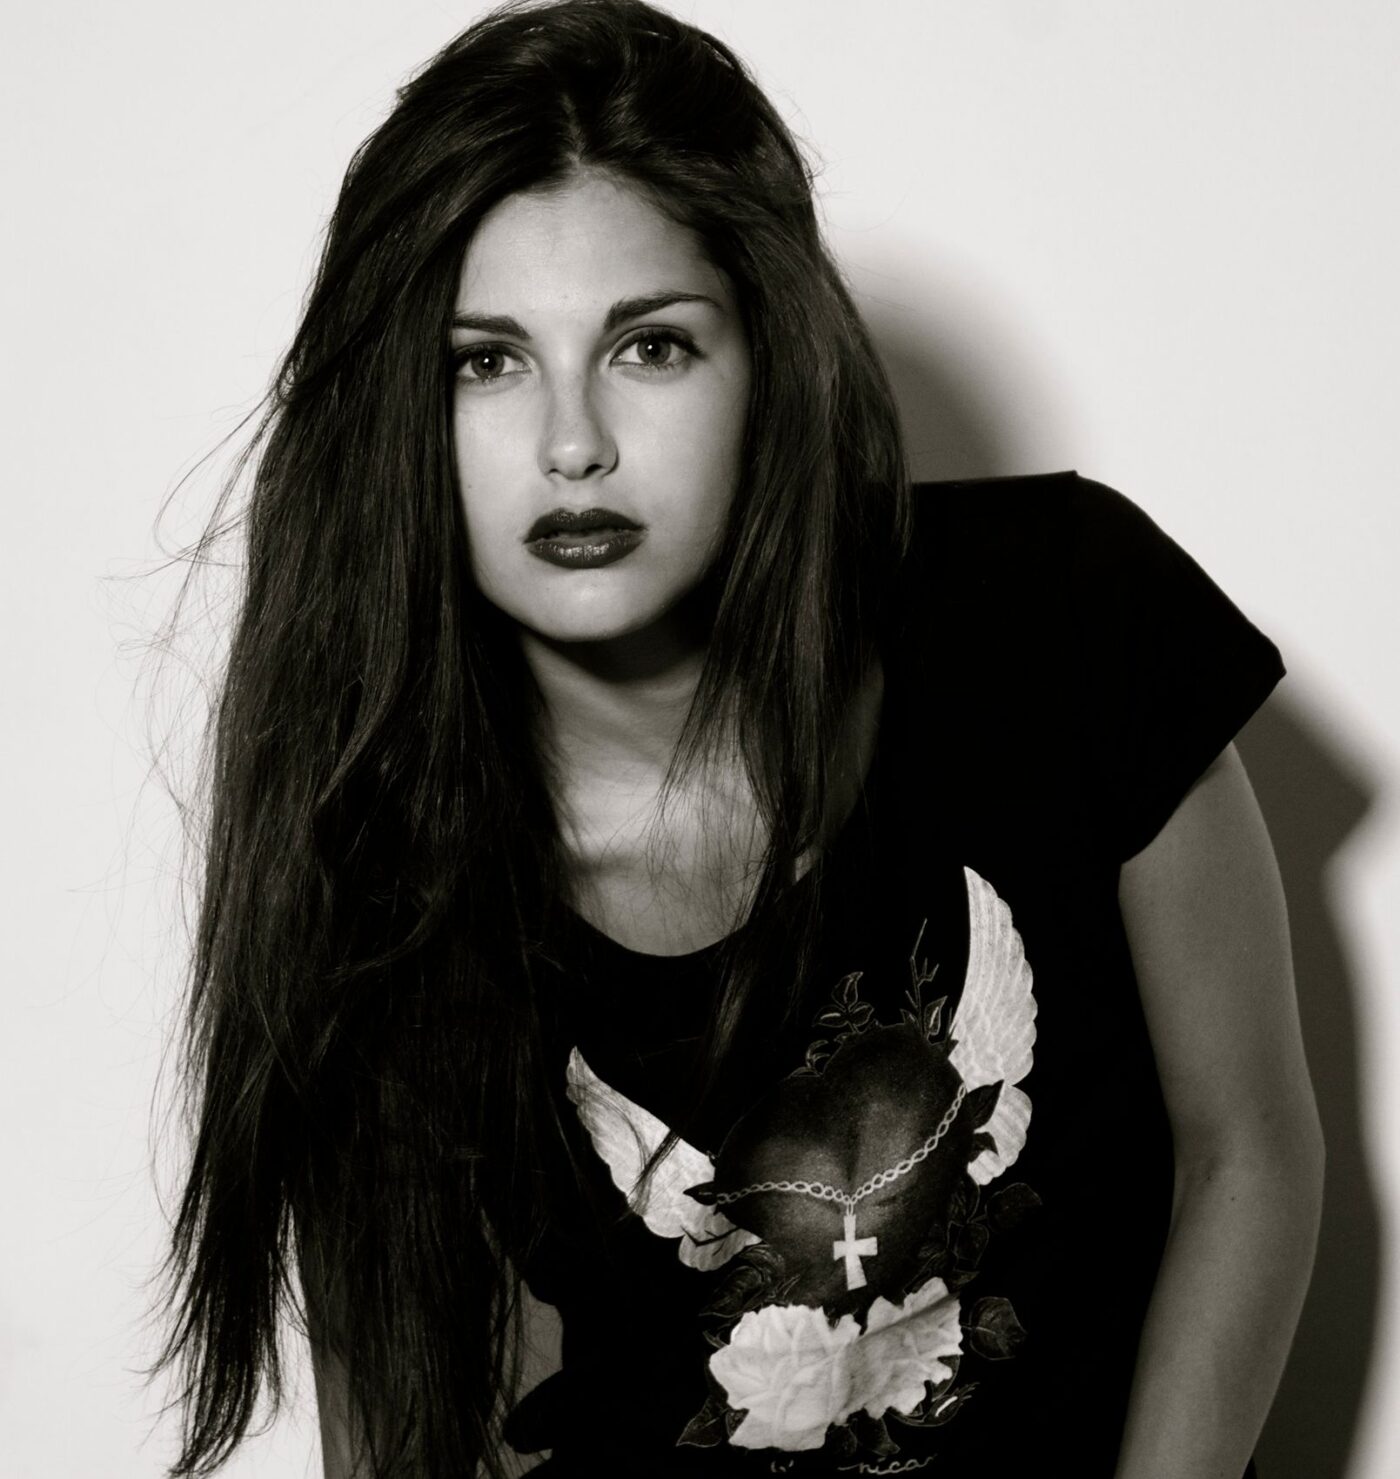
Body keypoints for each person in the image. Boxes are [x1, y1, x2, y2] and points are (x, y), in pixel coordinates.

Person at [146, 2, 1324, 1476]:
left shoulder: (1064, 616)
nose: (572, 443)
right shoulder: (389, 886)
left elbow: (1244, 1154)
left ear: (769, 356)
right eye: (484, 363)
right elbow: (419, 1427)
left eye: (650, 346)